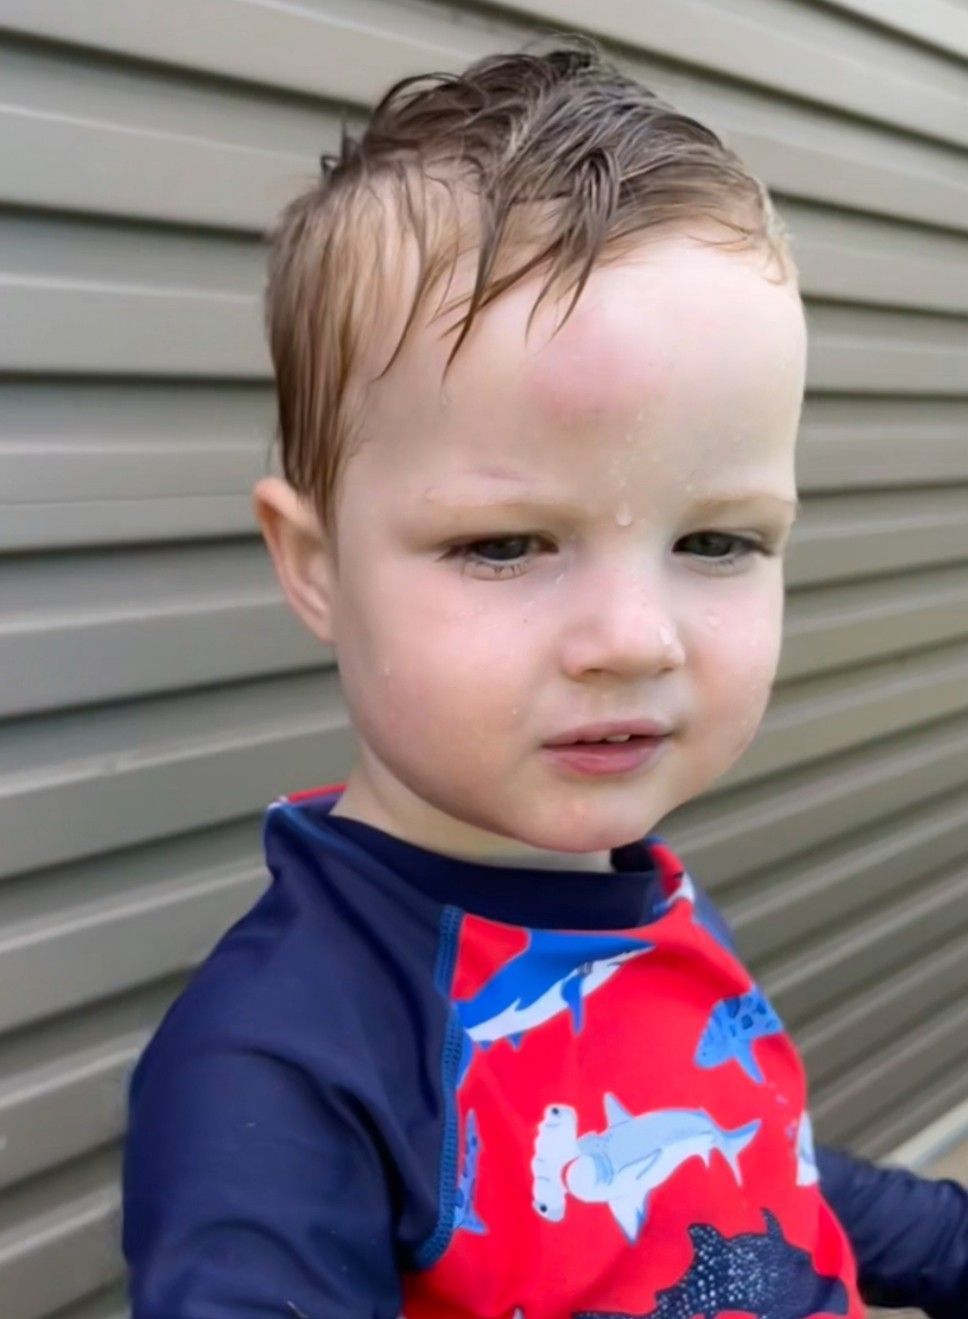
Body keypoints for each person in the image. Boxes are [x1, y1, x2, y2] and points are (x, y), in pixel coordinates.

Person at [121, 35, 967, 1318]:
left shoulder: (626, 894)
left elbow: (745, 1162)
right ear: (314, 564)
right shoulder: (281, 1071)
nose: (633, 636)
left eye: (716, 539)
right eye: (503, 544)